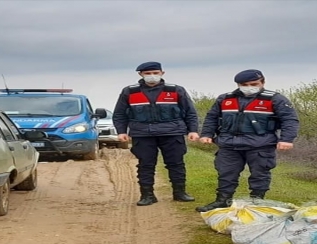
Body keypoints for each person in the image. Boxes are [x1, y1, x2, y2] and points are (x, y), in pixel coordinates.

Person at [195, 69, 299, 212]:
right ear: (238, 84)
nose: (249, 87)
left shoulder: (275, 99)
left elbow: (290, 120)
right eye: (244, 84)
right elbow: (212, 117)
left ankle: (256, 202)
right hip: (229, 144)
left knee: (259, 174)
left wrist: (287, 139)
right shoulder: (225, 99)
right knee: (226, 173)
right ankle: (222, 201)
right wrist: (206, 134)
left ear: (263, 82)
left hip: (260, 144)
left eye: (254, 84)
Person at [113, 61, 200, 206]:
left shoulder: (176, 90)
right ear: (140, 74)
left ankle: (180, 193)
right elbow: (120, 114)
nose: (152, 76)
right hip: (142, 134)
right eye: (147, 74)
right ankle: (147, 195)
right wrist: (121, 131)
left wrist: (193, 130)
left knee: (176, 164)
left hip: (172, 133)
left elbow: (190, 112)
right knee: (145, 165)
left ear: (162, 73)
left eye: (155, 73)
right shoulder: (129, 91)